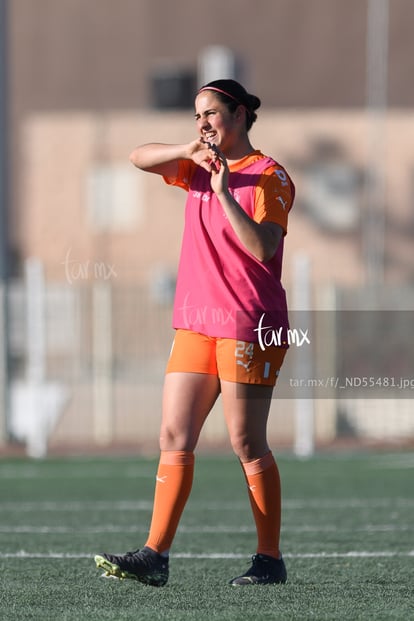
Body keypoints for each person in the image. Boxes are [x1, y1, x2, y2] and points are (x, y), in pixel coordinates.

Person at [94, 78, 295, 587]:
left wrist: (226, 194)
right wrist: (189, 151)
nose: (203, 124)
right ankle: (154, 556)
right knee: (173, 436)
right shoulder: (197, 166)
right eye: (196, 116)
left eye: (212, 114)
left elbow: (262, 249)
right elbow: (138, 156)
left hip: (251, 324)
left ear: (242, 115)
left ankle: (269, 559)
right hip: (197, 322)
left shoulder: (269, 176)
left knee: (246, 441)